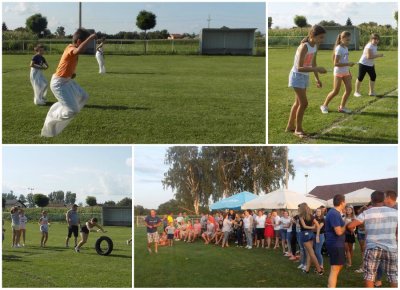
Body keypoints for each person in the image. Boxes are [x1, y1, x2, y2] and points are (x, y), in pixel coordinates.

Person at [41, 28, 97, 137]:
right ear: (79, 42)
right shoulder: (70, 48)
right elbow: (78, 51)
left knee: (84, 96)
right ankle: (52, 118)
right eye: (86, 43)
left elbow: (67, 64)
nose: (87, 46)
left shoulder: (74, 49)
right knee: (73, 111)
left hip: (67, 81)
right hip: (58, 84)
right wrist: (90, 38)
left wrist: (71, 74)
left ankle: (64, 104)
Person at [347, 191, 397, 288]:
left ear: (371, 200)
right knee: (393, 275)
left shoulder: (367, 212)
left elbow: (351, 226)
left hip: (372, 247)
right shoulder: (395, 212)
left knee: (369, 275)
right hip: (391, 247)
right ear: (383, 199)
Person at [286, 25, 327, 138]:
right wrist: (317, 69)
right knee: (304, 103)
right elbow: (299, 67)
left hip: (304, 76)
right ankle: (298, 129)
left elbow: (313, 64)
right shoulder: (304, 47)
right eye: (320, 37)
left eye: (323, 38)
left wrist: (317, 78)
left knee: (298, 103)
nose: (322, 40)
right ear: (312, 36)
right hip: (297, 76)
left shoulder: (315, 46)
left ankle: (290, 126)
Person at [320, 31, 355, 114]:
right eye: (347, 40)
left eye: (349, 40)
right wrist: (348, 64)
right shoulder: (339, 48)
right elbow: (335, 63)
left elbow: (345, 60)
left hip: (346, 72)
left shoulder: (345, 48)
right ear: (342, 39)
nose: (348, 42)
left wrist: (349, 72)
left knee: (349, 89)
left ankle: (342, 107)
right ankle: (324, 106)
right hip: (338, 72)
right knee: (335, 91)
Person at [374, 190, 398, 287]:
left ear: (388, 197)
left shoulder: (397, 209)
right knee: (379, 260)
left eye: (384, 197)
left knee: (393, 265)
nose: (383, 199)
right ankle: (379, 280)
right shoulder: (384, 208)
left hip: (394, 241)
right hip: (382, 240)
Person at [325, 194, 348, 287]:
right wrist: (346, 224)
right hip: (335, 244)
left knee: (338, 266)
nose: (345, 203)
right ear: (342, 202)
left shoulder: (334, 213)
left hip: (337, 243)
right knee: (335, 269)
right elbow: (338, 232)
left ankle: (330, 285)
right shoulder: (334, 213)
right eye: (345, 201)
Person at [298, 203, 324, 275]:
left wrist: (312, 227)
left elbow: (304, 226)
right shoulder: (311, 216)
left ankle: (319, 270)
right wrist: (313, 228)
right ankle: (307, 269)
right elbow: (318, 225)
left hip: (305, 235)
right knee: (309, 253)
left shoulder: (301, 216)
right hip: (311, 234)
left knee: (311, 253)